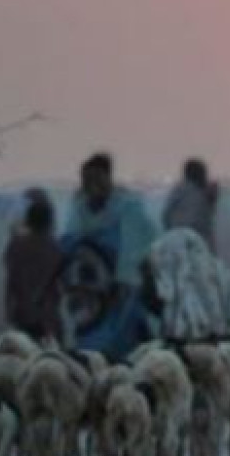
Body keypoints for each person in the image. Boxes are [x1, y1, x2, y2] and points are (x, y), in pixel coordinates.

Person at [63, 153, 160, 360]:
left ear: (108, 178)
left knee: (125, 341)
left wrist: (124, 281)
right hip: (91, 292)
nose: (92, 184)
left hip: (125, 289)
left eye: (97, 178)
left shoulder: (128, 209)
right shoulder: (79, 209)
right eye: (87, 179)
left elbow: (134, 251)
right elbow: (69, 244)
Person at [4, 190, 64, 344]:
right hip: (48, 317)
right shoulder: (55, 247)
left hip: (22, 314)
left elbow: (11, 281)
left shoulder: (16, 246)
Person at [161, 158, 220, 249]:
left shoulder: (180, 190)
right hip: (196, 240)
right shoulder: (200, 191)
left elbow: (166, 215)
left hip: (180, 238)